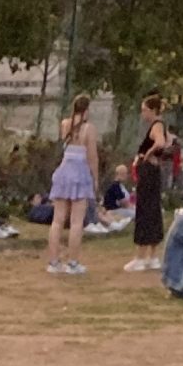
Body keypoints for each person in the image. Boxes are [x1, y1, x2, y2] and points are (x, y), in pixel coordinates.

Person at [47, 93, 102, 277]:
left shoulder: (65, 124)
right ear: (86, 110)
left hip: (64, 171)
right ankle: (73, 262)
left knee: (57, 220)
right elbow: (92, 156)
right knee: (76, 222)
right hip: (79, 173)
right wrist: (95, 178)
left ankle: (53, 262)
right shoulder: (89, 129)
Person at [126, 92, 176, 272]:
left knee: (144, 210)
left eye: (145, 110)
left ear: (153, 110)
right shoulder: (162, 125)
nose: (143, 114)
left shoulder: (156, 126)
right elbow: (169, 142)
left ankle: (140, 255)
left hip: (148, 172)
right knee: (153, 210)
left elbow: (161, 143)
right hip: (154, 172)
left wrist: (147, 154)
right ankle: (152, 256)